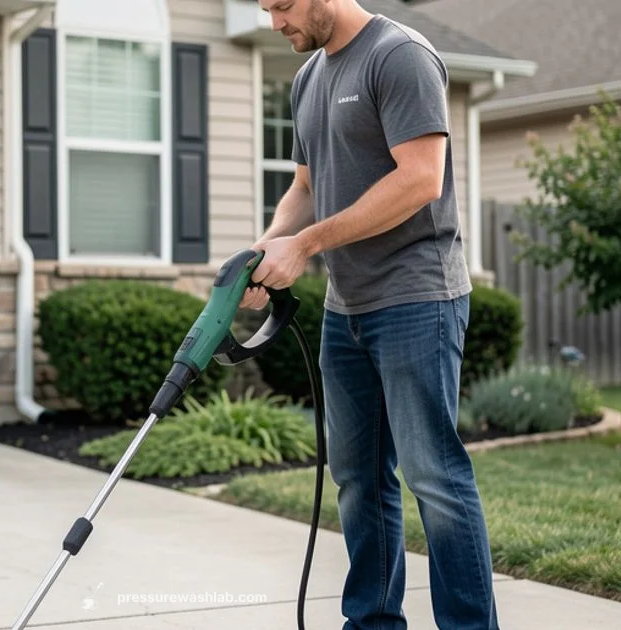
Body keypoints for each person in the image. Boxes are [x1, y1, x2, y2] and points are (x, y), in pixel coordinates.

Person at [242, 1, 499, 629]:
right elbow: (305, 186)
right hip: (346, 306)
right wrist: (270, 242)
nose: (275, 22)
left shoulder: (398, 56)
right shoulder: (309, 77)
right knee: (358, 479)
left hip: (417, 298)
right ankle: (373, 623)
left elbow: (419, 180)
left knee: (432, 476)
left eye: (283, 5)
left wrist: (305, 245)